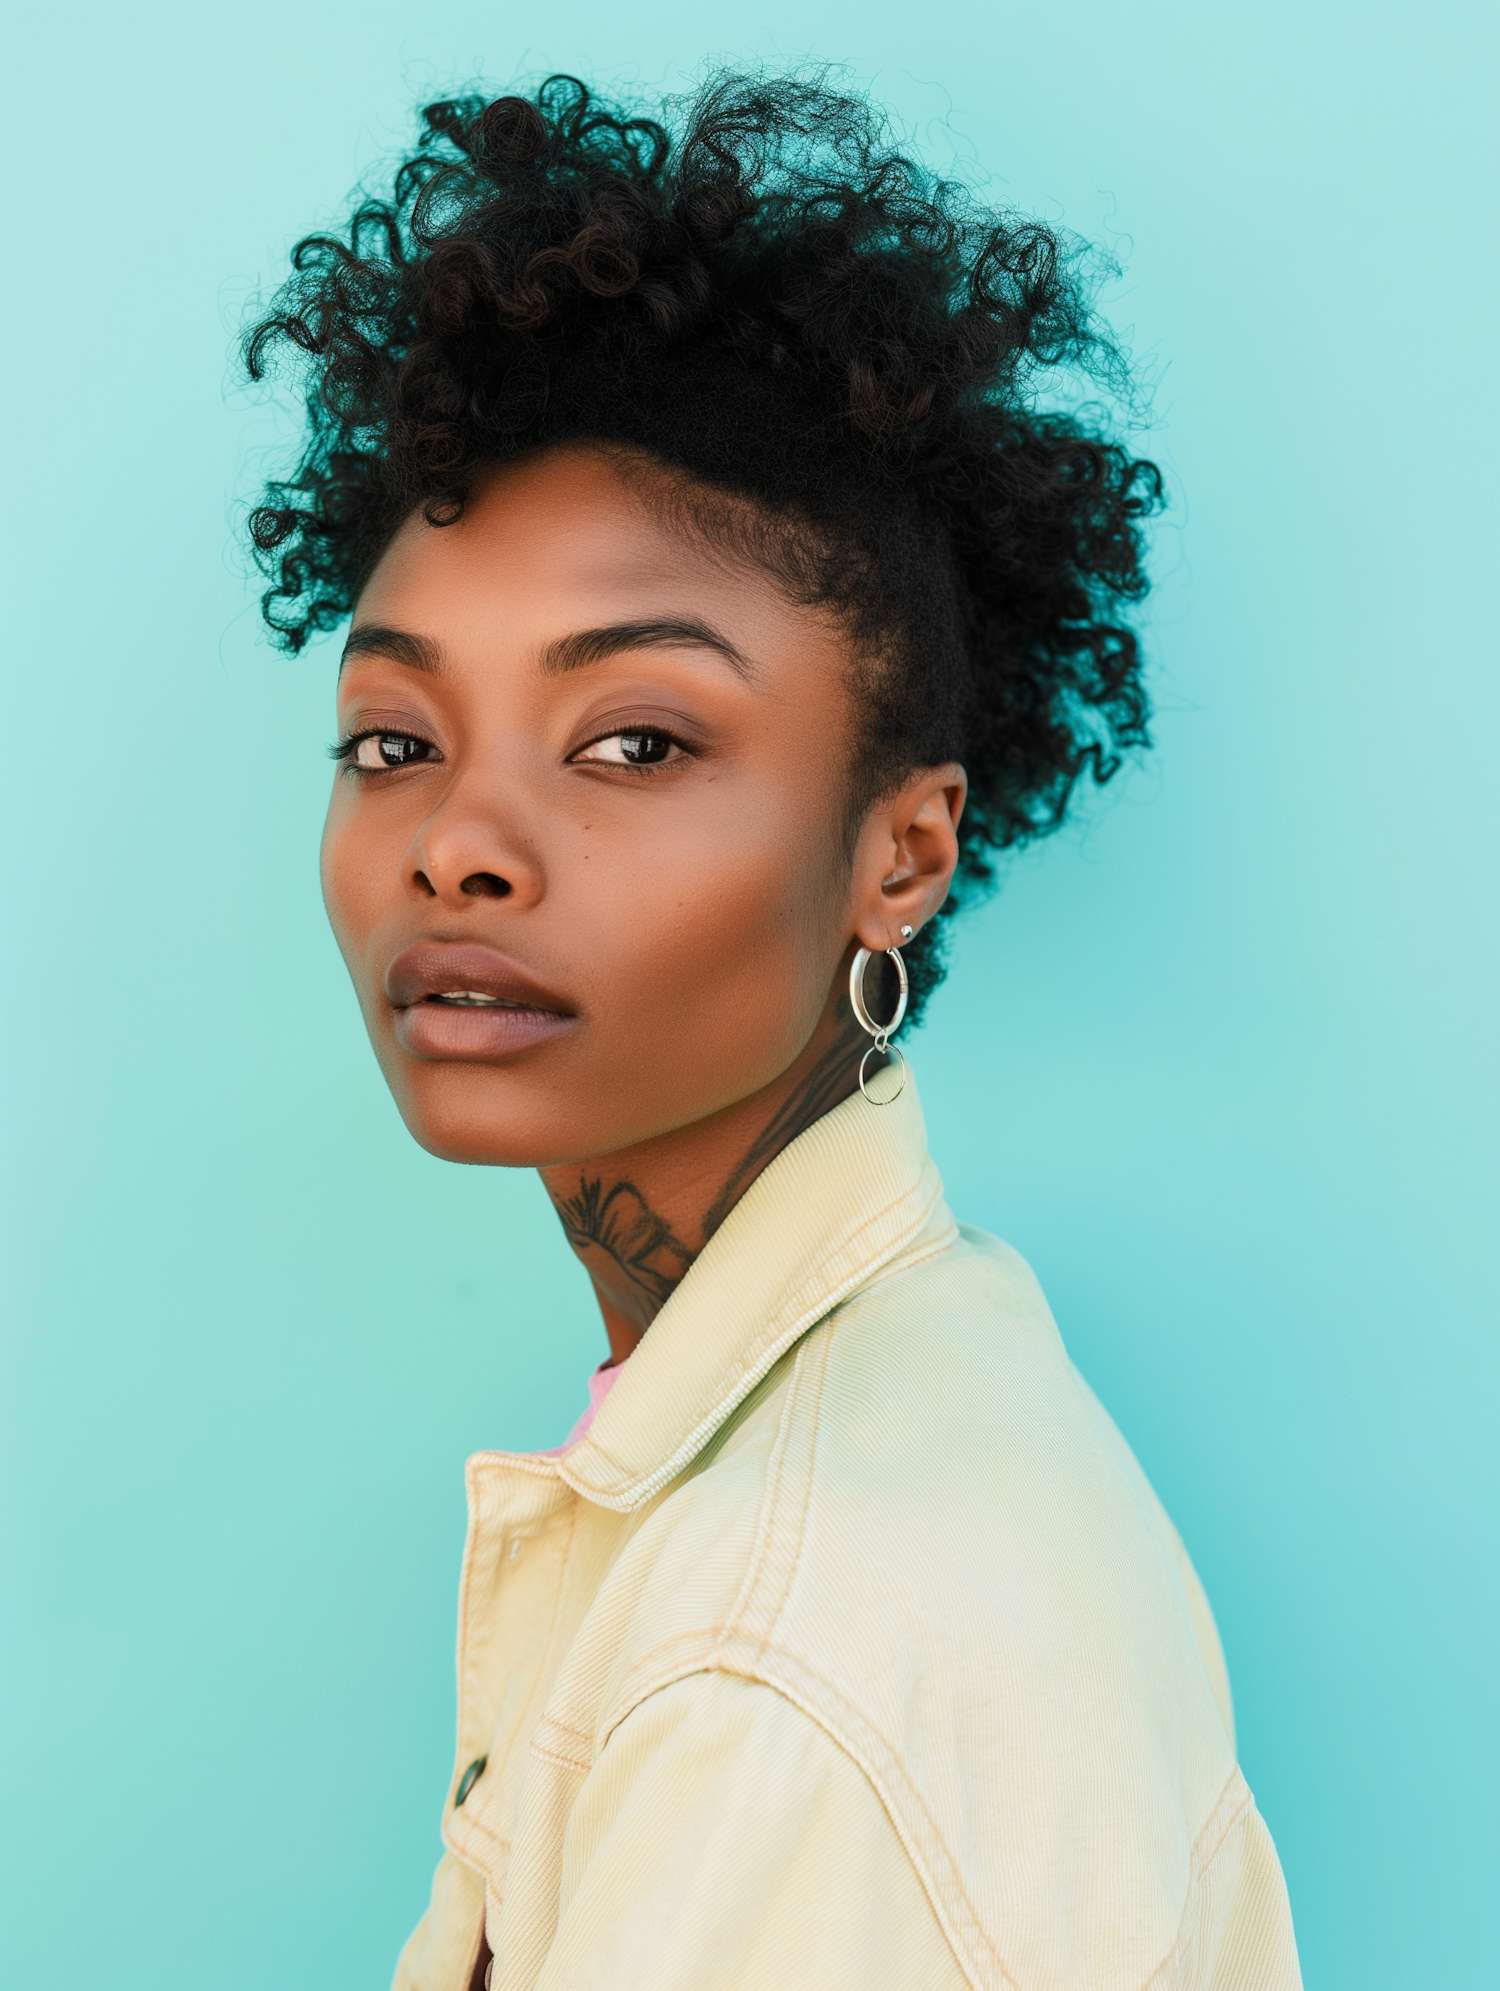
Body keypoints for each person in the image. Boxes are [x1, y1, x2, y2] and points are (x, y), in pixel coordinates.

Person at [245, 70, 1302, 1991]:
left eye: (635, 740)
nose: (461, 848)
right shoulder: (884, 1375)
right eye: (396, 742)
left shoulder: (785, 1679)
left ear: (902, 853)